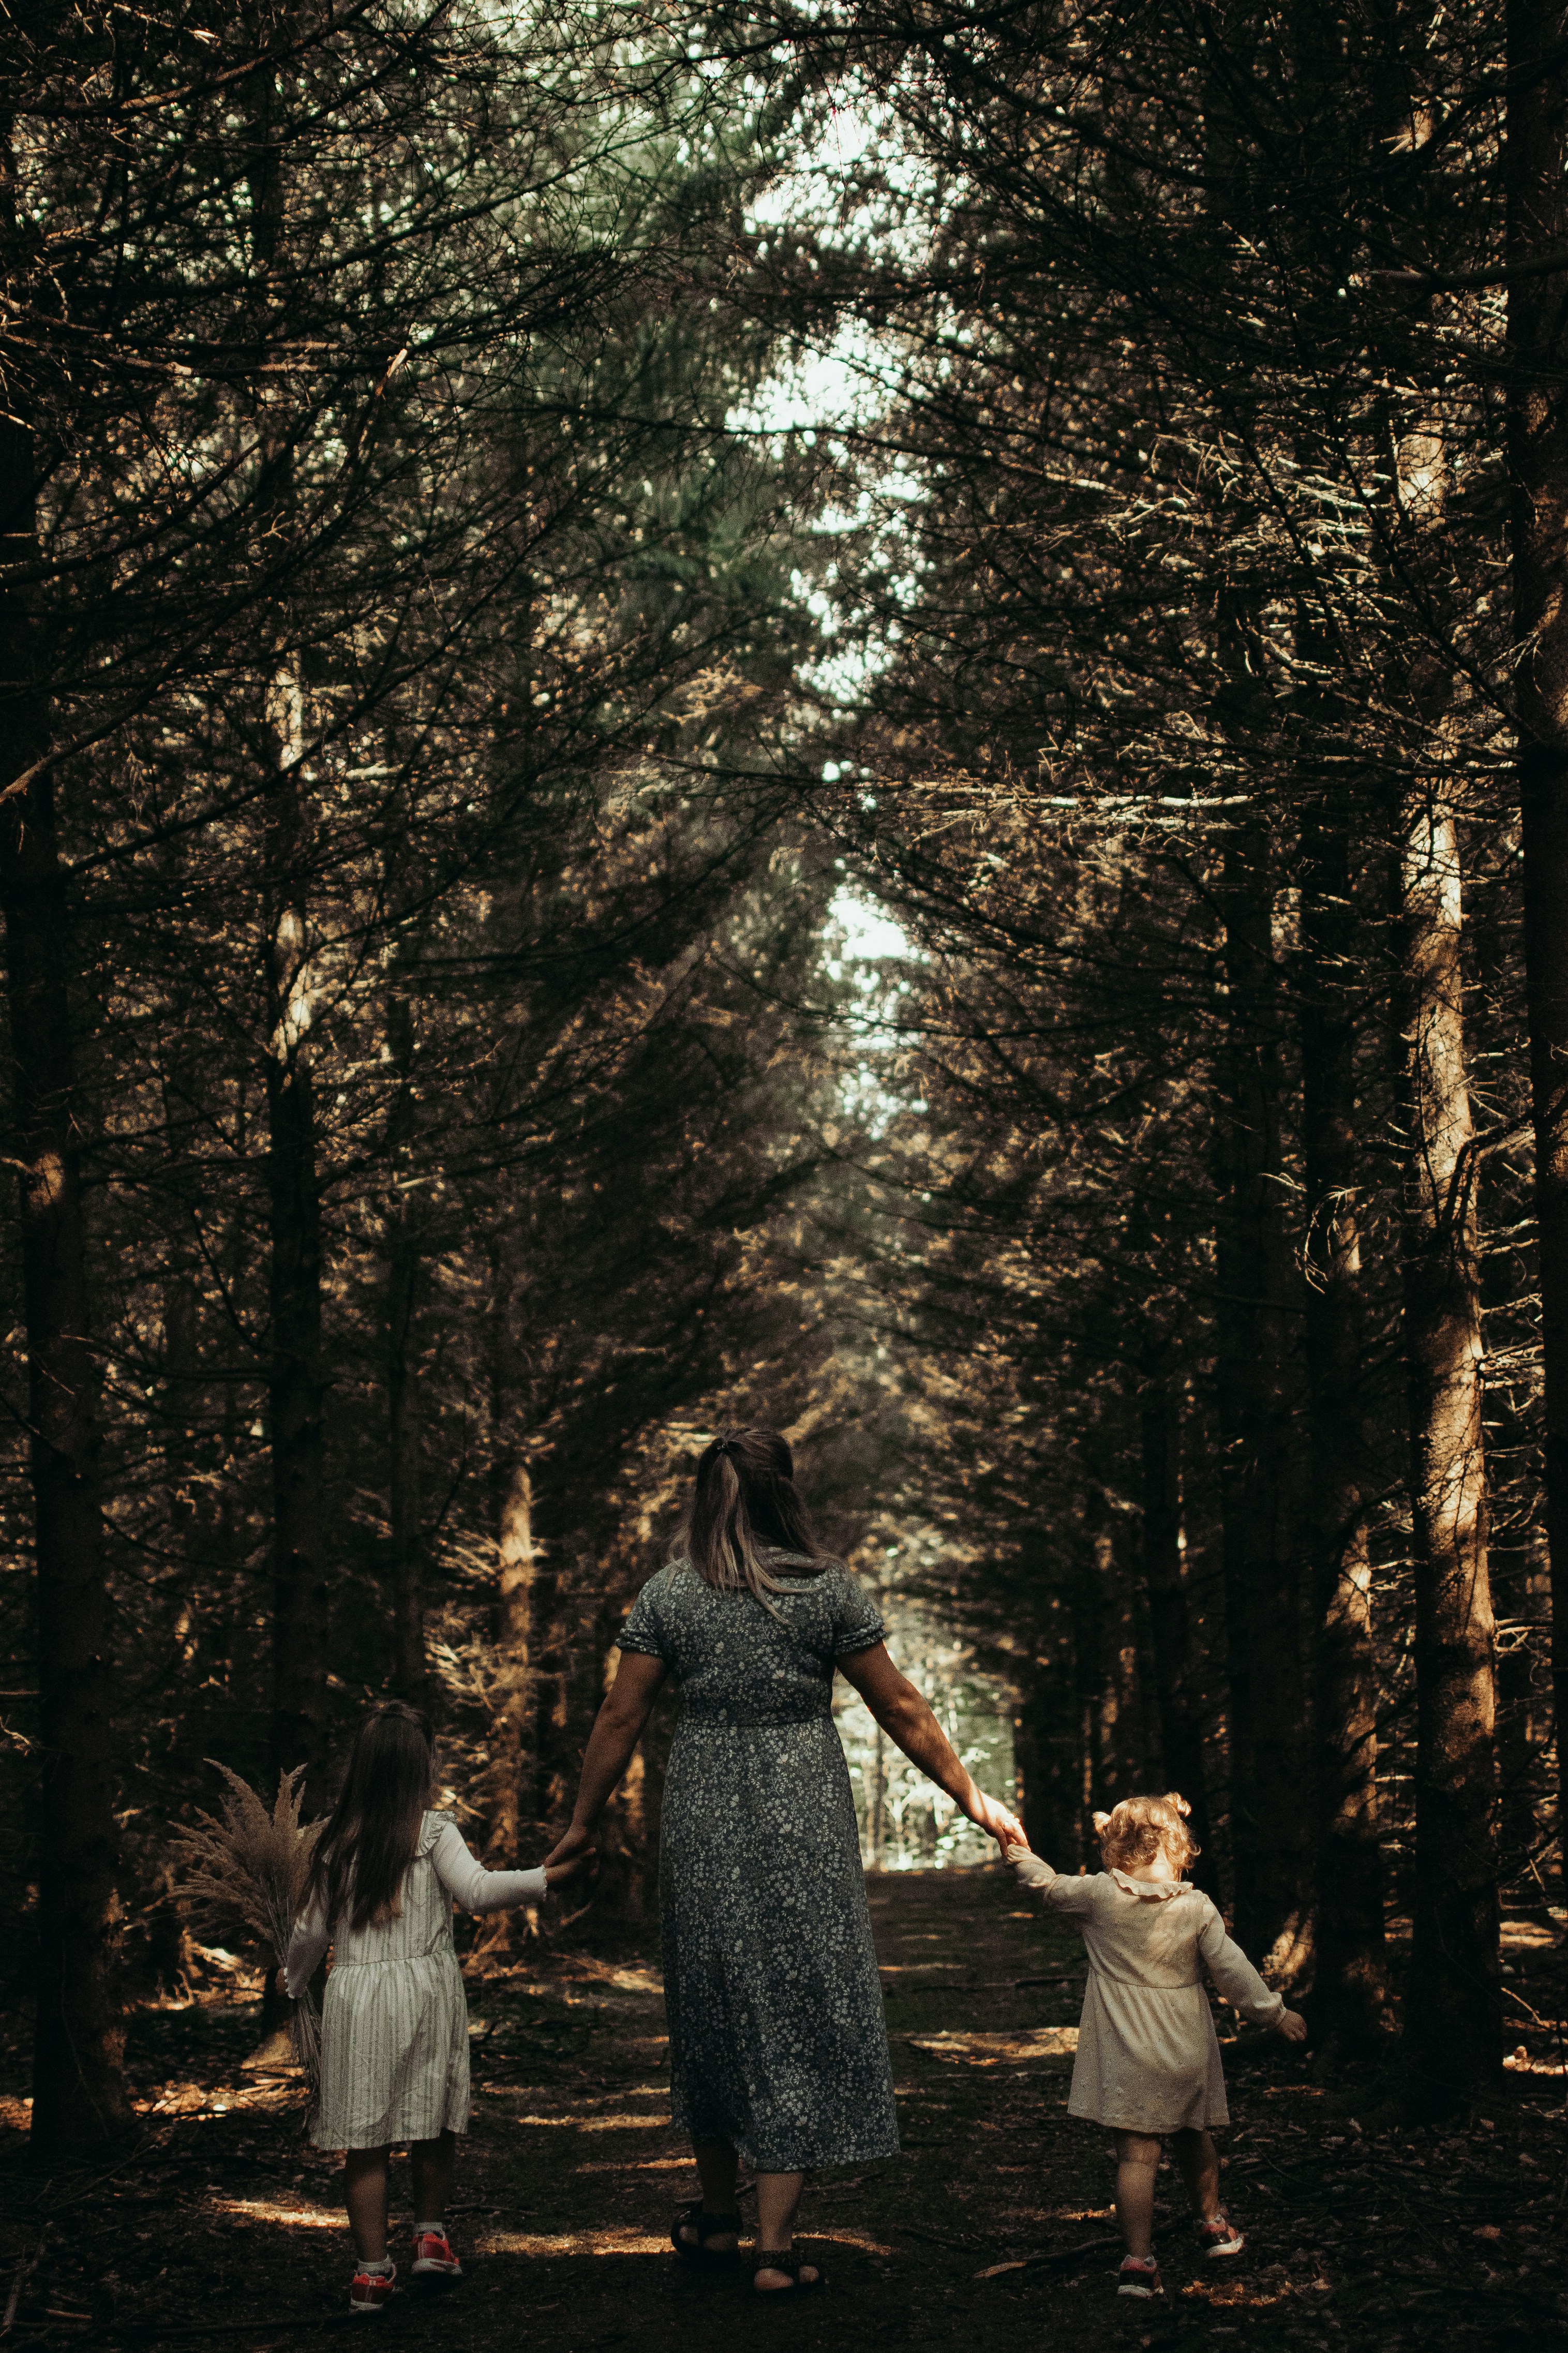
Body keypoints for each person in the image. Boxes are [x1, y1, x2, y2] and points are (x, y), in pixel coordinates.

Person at [545, 1425, 1025, 2296]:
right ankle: (774, 2246)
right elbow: (900, 1705)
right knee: (797, 2000)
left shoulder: (670, 1593)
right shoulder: (826, 1589)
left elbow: (620, 1716)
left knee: (715, 2002)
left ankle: (717, 2217)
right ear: (785, 1493)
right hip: (803, 1809)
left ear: (706, 1496)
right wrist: (970, 1796)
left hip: (702, 1811)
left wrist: (583, 1821)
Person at [282, 1700, 590, 2314]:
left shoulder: (333, 1843)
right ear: (421, 1765)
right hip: (425, 1991)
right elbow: (477, 1892)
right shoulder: (433, 1832)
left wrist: (292, 1982)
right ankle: (430, 2238)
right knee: (434, 2121)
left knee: (364, 2138)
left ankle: (371, 2275)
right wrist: (547, 1877)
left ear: (363, 1766)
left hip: (357, 1998)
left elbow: (310, 1932)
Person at [1005, 1791, 1306, 2300]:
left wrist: (1019, 1854)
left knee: (1136, 2158)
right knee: (1194, 2135)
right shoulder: (1196, 1906)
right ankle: (1212, 2227)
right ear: (1180, 1847)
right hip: (1185, 2048)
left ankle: (1138, 2263)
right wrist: (1274, 2014)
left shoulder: (1100, 1896)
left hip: (1127, 2052)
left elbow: (1048, 1887)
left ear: (1115, 1847)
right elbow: (1232, 1971)